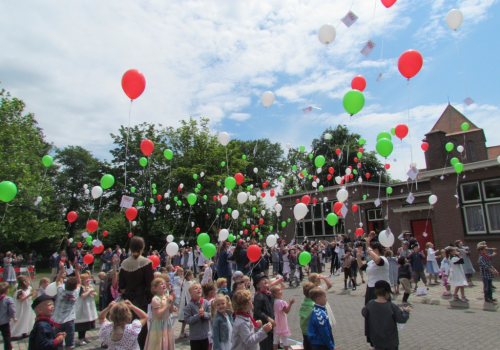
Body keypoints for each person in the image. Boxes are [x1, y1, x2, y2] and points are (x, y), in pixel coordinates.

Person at [119, 236, 154, 349]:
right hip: (141, 298)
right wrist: (151, 298)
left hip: (128, 298)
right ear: (142, 247)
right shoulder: (146, 262)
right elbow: (150, 284)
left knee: (128, 324)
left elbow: (121, 286)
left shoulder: (124, 263)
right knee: (141, 326)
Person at [361, 280, 410, 350]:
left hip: (376, 339)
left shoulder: (370, 304)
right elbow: (402, 319)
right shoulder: (391, 306)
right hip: (391, 341)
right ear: (386, 293)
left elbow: (364, 313)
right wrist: (406, 311)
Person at [52, 261, 80, 349]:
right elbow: (79, 282)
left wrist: (61, 271)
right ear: (75, 287)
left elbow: (58, 282)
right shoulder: (75, 294)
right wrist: (77, 271)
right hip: (69, 320)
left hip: (58, 320)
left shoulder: (61, 292)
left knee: (58, 342)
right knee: (70, 343)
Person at [356, 236, 390, 305]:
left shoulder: (383, 259)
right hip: (370, 288)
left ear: (376, 250)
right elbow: (361, 267)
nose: (369, 252)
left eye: (371, 250)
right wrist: (358, 256)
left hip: (381, 289)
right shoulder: (371, 262)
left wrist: (369, 249)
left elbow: (378, 261)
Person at [144, 278, 175, 350]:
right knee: (158, 344)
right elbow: (158, 314)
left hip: (167, 323)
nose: (164, 285)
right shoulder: (156, 299)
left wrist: (172, 302)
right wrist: (167, 303)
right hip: (158, 325)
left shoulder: (165, 297)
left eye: (164, 283)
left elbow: (170, 311)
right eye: (161, 284)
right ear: (155, 289)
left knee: (167, 343)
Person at [184, 283, 210, 350]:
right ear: (191, 293)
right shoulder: (189, 306)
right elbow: (187, 319)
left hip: (205, 335)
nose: (198, 289)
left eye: (200, 288)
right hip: (195, 337)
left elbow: (211, 314)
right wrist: (197, 316)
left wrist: (204, 314)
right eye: (196, 288)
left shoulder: (206, 302)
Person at [74, 273, 98, 346]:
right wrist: (89, 291)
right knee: (82, 323)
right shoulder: (80, 287)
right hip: (82, 308)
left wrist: (92, 292)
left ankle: (84, 337)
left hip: (88, 307)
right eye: (86, 279)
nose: (88, 280)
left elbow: (93, 294)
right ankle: (80, 338)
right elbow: (83, 295)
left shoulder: (87, 287)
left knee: (86, 323)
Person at [253, 273, 275, 350]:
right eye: (262, 280)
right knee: (265, 346)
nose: (265, 280)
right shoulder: (259, 296)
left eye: (265, 279)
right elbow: (257, 311)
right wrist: (268, 318)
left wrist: (273, 319)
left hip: (270, 324)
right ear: (258, 286)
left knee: (271, 344)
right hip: (263, 325)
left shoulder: (269, 294)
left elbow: (271, 309)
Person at [270, 286, 294, 350]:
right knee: (284, 338)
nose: (281, 291)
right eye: (279, 290)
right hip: (282, 321)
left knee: (275, 338)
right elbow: (286, 311)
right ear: (275, 294)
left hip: (275, 320)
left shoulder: (272, 302)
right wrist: (290, 304)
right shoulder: (281, 302)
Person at [178, 270, 195, 338]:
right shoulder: (191, 283)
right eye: (191, 275)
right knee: (191, 317)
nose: (192, 276)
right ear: (188, 276)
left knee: (184, 319)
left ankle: (182, 332)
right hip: (188, 301)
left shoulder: (183, 282)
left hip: (184, 301)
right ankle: (192, 332)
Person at [0, 282, 16, 350]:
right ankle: (8, 348)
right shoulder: (8, 299)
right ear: (7, 290)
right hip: (4, 322)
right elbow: (12, 309)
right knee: (6, 337)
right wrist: (13, 316)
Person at [298, 283, 315, 350]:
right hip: (311, 331)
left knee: (306, 345)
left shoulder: (304, 302)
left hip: (304, 330)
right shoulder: (313, 304)